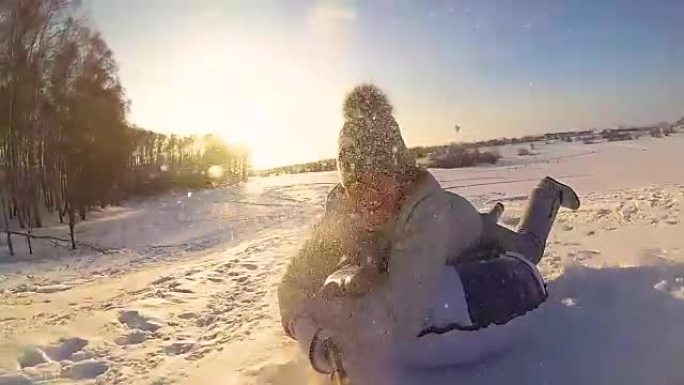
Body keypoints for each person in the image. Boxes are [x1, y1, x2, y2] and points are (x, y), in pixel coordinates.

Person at [277, 84, 580, 382]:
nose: (370, 193)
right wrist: (305, 330)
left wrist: (339, 325)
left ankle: (547, 193)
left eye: (382, 174)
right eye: (356, 179)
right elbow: (295, 280)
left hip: (468, 228)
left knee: (529, 249)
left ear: (401, 172)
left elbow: (402, 309)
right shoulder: (342, 212)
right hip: (445, 225)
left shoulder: (423, 206)